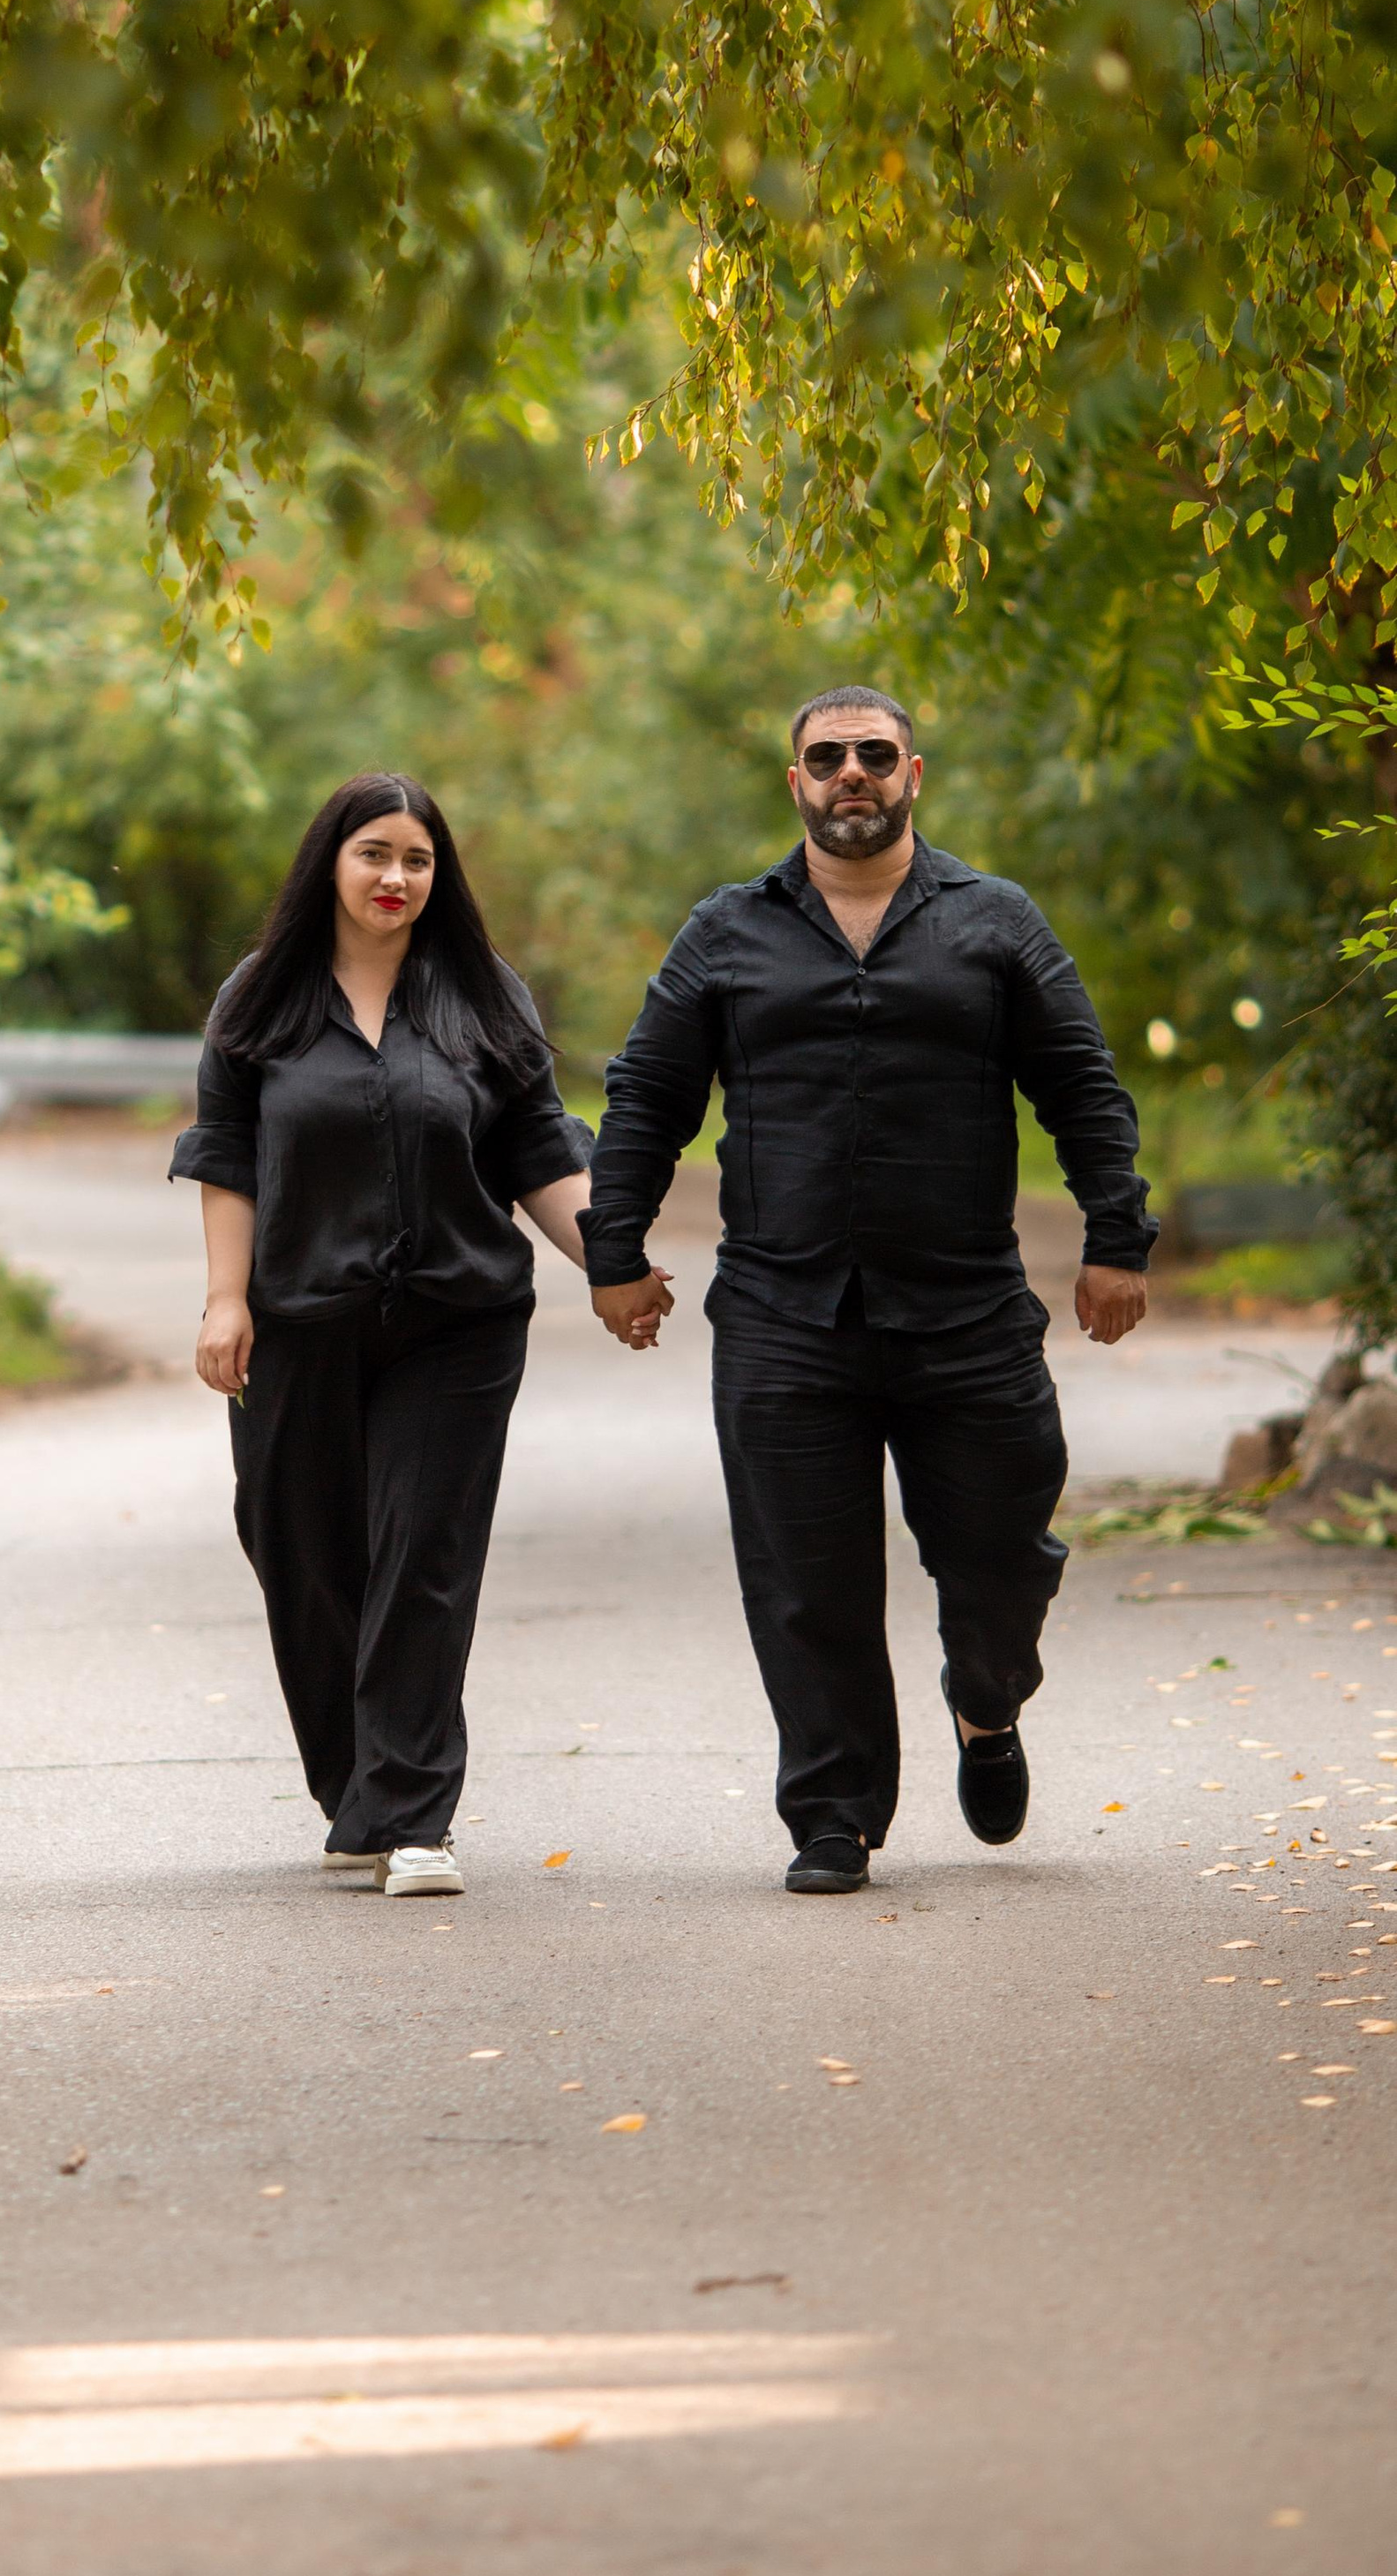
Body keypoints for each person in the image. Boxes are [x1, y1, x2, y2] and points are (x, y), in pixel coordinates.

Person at [584, 686, 1154, 1895]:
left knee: (1003, 1554)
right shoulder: (726, 933)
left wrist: (1119, 1238)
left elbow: (1083, 1086)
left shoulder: (996, 923)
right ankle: (835, 1815)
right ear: (794, 780)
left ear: (914, 775)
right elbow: (648, 1096)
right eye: (828, 756)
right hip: (786, 1318)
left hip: (968, 1314)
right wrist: (613, 1251)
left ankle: (986, 1702)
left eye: (875, 755)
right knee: (806, 1580)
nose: (853, 772)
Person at [171, 772, 603, 1897]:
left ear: (436, 875)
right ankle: (357, 1789)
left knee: (424, 1556)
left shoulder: (482, 996)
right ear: (330, 863)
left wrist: (614, 1262)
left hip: (454, 1323)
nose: (394, 879)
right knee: (298, 1550)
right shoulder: (260, 999)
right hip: (300, 1323)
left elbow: (538, 1152)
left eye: (415, 860)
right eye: (373, 855)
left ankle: (415, 1817)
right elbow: (224, 1151)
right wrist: (227, 1299)